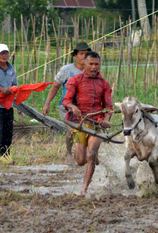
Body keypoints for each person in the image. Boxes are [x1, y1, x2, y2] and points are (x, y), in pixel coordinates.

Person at [62, 52, 112, 195]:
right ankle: (89, 156)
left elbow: (108, 107)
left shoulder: (104, 84)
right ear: (84, 64)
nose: (94, 67)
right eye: (91, 64)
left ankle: (84, 189)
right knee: (80, 160)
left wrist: (106, 120)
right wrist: (73, 107)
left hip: (97, 124)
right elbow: (66, 101)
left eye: (96, 64)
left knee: (91, 154)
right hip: (79, 123)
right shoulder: (75, 80)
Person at [42, 42, 90, 163]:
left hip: (84, 109)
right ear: (75, 55)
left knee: (87, 130)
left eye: (86, 54)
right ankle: (69, 152)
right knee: (72, 130)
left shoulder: (91, 70)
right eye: (81, 54)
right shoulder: (66, 70)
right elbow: (55, 87)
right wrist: (47, 104)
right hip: (66, 107)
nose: (84, 56)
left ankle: (86, 153)